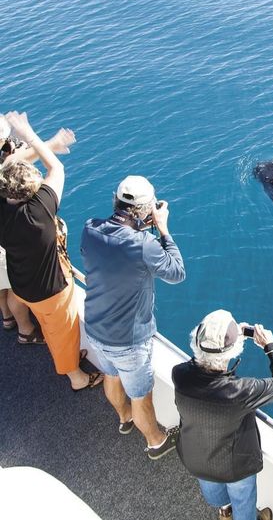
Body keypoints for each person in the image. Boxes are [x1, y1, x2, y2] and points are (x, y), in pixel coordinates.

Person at [80, 175, 186, 459]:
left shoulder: (90, 228)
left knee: (110, 375)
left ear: (116, 201)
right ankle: (156, 441)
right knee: (142, 395)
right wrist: (162, 229)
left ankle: (124, 418)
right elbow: (176, 273)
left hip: (95, 326)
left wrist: (141, 226)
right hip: (128, 340)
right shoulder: (144, 244)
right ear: (144, 210)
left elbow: (106, 251)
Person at [0, 111, 102, 391]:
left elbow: (14, 167)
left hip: (21, 283)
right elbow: (56, 169)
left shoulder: (6, 210)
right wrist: (29, 133)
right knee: (62, 334)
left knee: (48, 325)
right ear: (32, 191)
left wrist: (41, 142)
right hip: (50, 291)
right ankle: (76, 376)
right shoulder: (38, 212)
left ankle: (35, 335)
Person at [172, 310, 273, 520]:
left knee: (213, 487)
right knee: (243, 500)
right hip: (233, 467)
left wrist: (230, 337)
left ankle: (224, 512)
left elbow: (198, 363)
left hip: (196, 456)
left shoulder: (179, 374)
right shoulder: (240, 392)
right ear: (232, 352)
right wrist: (270, 347)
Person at [0, 112, 77, 344]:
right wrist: (48, 143)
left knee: (9, 288)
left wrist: (48, 144)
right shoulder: (37, 213)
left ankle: (7, 318)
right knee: (57, 327)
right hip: (41, 288)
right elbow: (11, 166)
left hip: (15, 264)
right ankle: (26, 332)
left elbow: (8, 168)